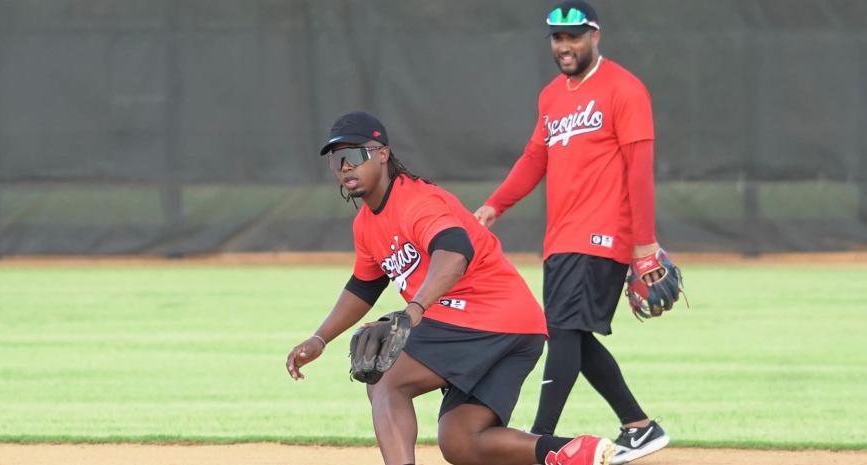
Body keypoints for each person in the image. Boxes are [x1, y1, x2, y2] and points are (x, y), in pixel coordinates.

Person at [286, 110, 616, 465]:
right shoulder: (366, 225)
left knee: (385, 379)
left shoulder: (415, 201)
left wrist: (413, 311)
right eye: (337, 160)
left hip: (482, 316)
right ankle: (570, 452)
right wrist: (319, 338)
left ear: (382, 154)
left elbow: (455, 252)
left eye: (354, 155)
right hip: (519, 329)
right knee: (461, 441)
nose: (345, 167)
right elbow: (363, 286)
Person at [473, 1, 674, 464]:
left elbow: (639, 172)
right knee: (573, 335)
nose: (565, 46)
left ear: (595, 36)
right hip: (562, 238)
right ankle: (639, 427)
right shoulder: (552, 96)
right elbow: (534, 159)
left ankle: (538, 440)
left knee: (563, 333)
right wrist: (495, 204)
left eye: (575, 36)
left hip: (603, 235)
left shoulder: (624, 89)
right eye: (558, 38)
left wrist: (643, 245)